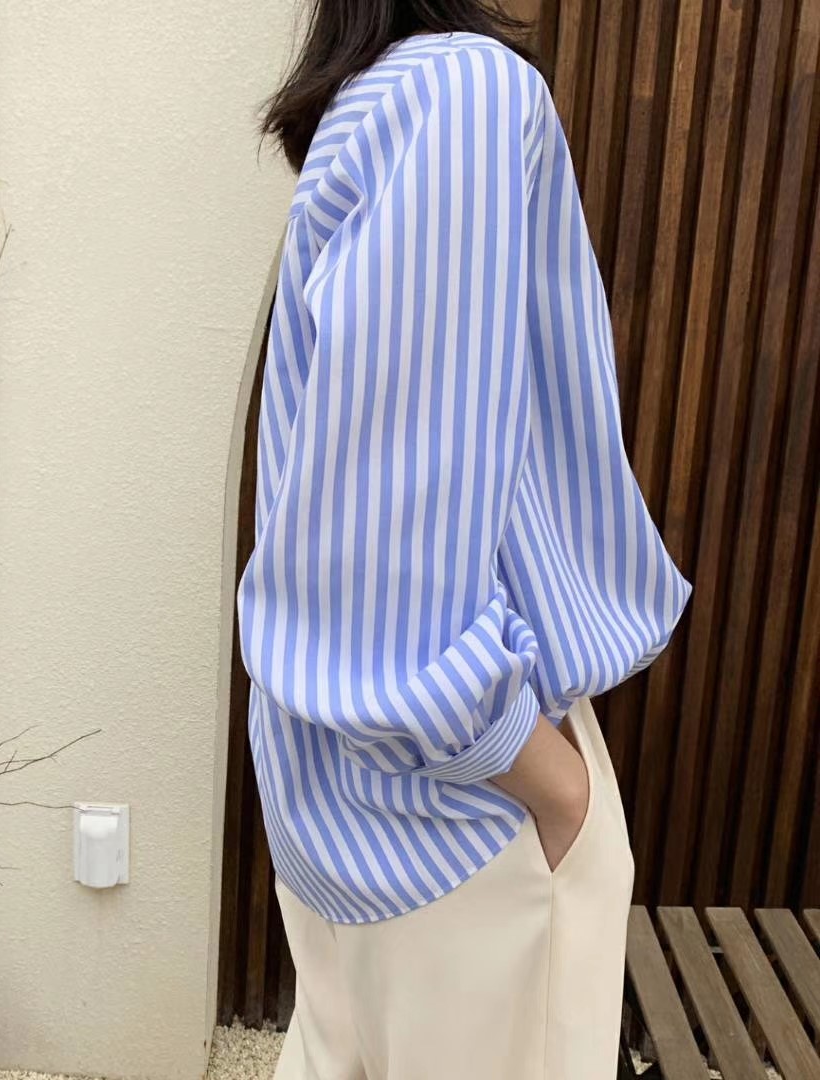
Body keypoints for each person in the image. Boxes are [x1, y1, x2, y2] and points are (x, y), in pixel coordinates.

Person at [235, 2, 693, 1078]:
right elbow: (386, 549)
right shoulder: (462, 92)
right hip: (463, 812)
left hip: (347, 798)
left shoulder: (380, 99)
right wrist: (549, 783)